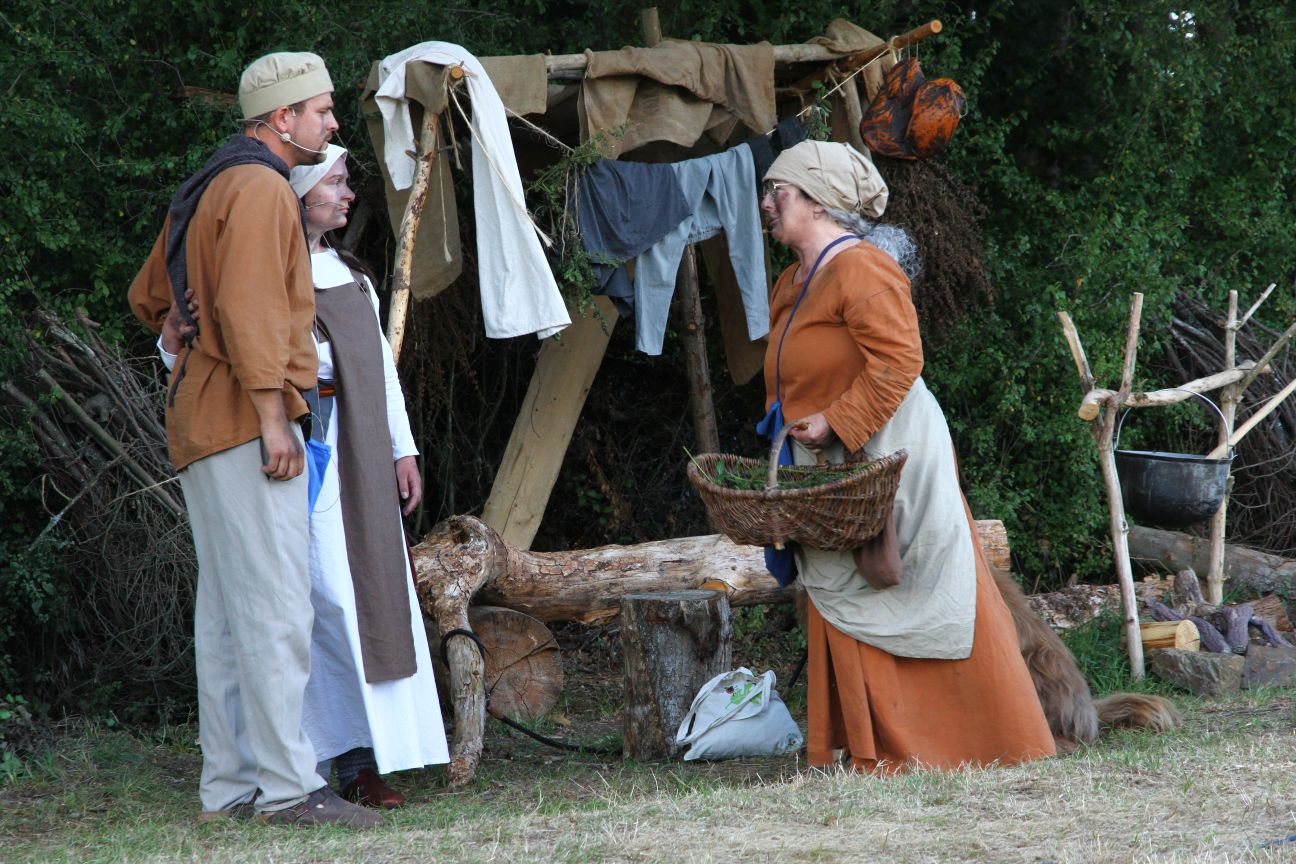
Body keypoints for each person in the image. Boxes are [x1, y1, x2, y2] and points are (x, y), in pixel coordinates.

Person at [130, 52, 381, 828]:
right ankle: (288, 790)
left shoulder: (209, 182)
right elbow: (248, 310)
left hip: (200, 420)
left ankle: (231, 788)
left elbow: (151, 296)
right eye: (321, 110)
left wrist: (175, 329)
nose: (332, 123)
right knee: (275, 607)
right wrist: (275, 418)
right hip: (243, 420)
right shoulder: (263, 187)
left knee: (228, 616)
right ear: (282, 118)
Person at [758, 140, 1056, 773]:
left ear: (819, 201)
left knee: (904, 578)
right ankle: (868, 744)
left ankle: (986, 738)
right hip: (827, 461)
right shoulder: (793, 280)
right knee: (839, 585)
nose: (766, 203)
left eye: (778, 191)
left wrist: (837, 422)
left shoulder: (861, 269)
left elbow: (899, 361)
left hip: (886, 453)